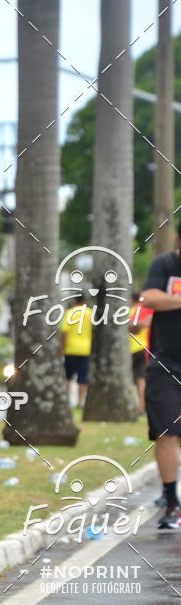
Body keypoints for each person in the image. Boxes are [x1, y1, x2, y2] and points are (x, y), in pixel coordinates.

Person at [140, 221, 181, 529]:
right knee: (166, 431)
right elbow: (149, 297)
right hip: (165, 363)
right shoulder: (165, 264)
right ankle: (171, 502)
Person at [60, 293, 92, 407]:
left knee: (67, 376)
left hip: (70, 349)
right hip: (86, 350)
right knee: (82, 377)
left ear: (74, 300)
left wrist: (62, 347)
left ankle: (65, 401)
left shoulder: (70, 313)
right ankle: (80, 402)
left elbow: (65, 332)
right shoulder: (90, 313)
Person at [128, 291, 152, 415]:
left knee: (138, 380)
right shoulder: (146, 310)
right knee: (142, 379)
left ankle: (140, 407)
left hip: (132, 348)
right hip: (144, 347)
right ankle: (142, 406)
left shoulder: (131, 311)